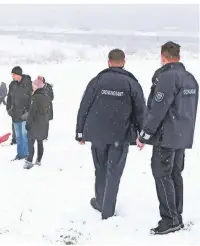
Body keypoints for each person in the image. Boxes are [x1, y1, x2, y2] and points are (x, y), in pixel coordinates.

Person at [75, 49, 146, 220]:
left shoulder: (97, 81)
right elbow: (141, 111)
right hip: (119, 136)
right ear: (124, 62)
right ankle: (107, 209)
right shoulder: (131, 83)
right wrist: (142, 135)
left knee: (100, 169)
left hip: (98, 135)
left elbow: (84, 106)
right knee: (114, 172)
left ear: (108, 62)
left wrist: (80, 132)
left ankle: (100, 201)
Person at [136, 41, 199, 235]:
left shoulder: (167, 77)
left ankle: (170, 219)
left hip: (167, 136)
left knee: (162, 174)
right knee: (174, 174)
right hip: (182, 135)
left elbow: (157, 110)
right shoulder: (190, 79)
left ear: (163, 57)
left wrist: (145, 134)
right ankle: (176, 215)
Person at [24, 76, 51, 169]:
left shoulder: (35, 98)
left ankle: (29, 161)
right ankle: (39, 160)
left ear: (36, 87)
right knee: (40, 143)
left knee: (30, 143)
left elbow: (31, 113)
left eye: (33, 85)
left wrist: (28, 124)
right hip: (43, 124)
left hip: (34, 125)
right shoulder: (47, 97)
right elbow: (49, 113)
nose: (32, 87)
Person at [6, 66, 33, 160]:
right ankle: (20, 154)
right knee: (18, 136)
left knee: (24, 135)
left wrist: (28, 112)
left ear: (18, 74)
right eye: (12, 74)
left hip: (24, 115)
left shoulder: (28, 84)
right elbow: (9, 98)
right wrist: (8, 109)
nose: (12, 76)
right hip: (15, 115)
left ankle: (26, 154)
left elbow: (32, 99)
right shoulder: (12, 85)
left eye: (13, 74)